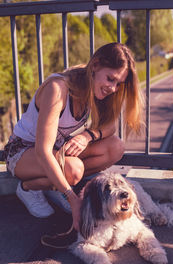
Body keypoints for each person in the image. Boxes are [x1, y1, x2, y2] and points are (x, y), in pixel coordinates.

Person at [4, 42, 143, 236]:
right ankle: (28, 188)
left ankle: (56, 185)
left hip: (58, 150)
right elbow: (43, 151)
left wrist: (88, 136)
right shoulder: (58, 88)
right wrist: (72, 198)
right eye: (110, 79)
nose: (113, 88)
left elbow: (111, 126)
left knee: (115, 147)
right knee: (74, 169)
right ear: (95, 66)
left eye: (118, 83)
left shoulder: (97, 89)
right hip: (23, 151)